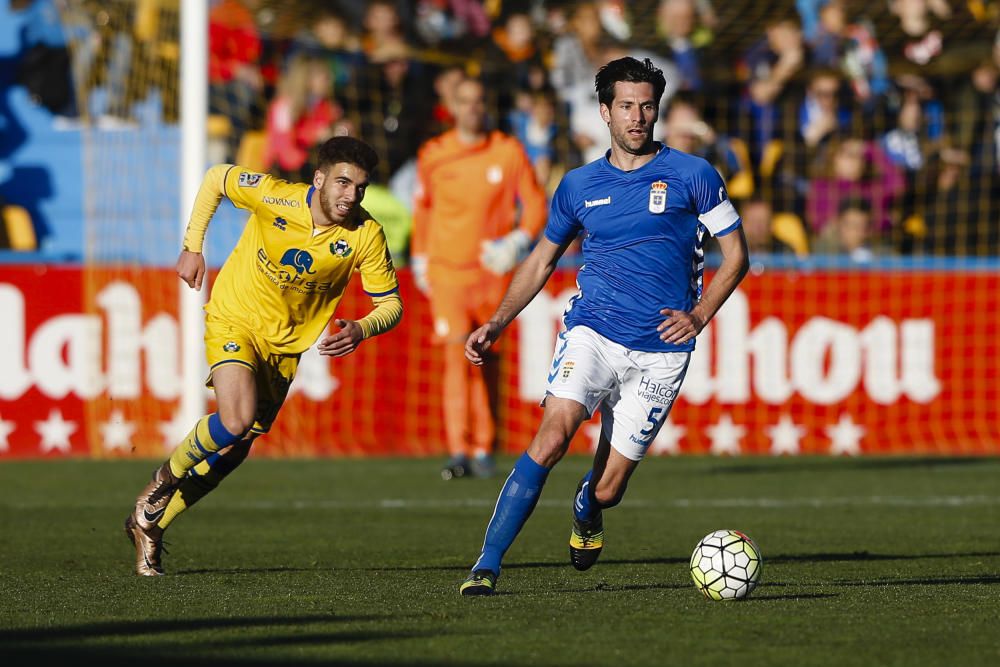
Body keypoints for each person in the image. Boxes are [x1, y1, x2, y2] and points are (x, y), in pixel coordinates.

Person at [458, 57, 749, 596]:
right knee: (551, 437)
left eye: (646, 106)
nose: (637, 116)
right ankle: (487, 566)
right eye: (626, 106)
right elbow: (542, 260)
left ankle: (588, 507)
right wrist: (498, 321)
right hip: (593, 330)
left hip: (661, 351)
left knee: (610, 489)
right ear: (604, 113)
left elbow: (735, 256)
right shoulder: (578, 185)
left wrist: (699, 314)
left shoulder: (694, 175)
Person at [124, 137, 403, 576]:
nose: (351, 195)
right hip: (234, 318)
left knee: (237, 445)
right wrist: (193, 245)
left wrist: (362, 328)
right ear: (319, 178)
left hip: (285, 347)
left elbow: (391, 304)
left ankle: (151, 523)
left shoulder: (365, 235)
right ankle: (160, 485)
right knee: (234, 419)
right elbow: (217, 178)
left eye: (360, 187)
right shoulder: (275, 195)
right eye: (343, 183)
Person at [411, 76, 547, 481]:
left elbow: (537, 204)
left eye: (478, 100)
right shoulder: (434, 154)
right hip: (447, 272)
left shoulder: (507, 151)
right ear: (452, 107)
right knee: (455, 358)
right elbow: (424, 209)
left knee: (485, 358)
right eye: (464, 101)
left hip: (491, 272)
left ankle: (485, 447)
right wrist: (419, 257)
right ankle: (459, 449)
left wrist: (519, 241)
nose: (472, 108)